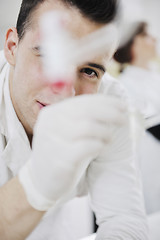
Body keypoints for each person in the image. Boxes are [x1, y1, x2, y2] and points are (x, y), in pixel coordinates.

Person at [0, 1, 148, 239]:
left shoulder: (110, 102)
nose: (66, 92)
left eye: (89, 71)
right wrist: (35, 183)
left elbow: (125, 219)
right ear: (12, 47)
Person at [114, 21, 160, 216]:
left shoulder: (155, 77)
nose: (154, 40)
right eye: (147, 36)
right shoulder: (124, 85)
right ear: (135, 42)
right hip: (150, 162)